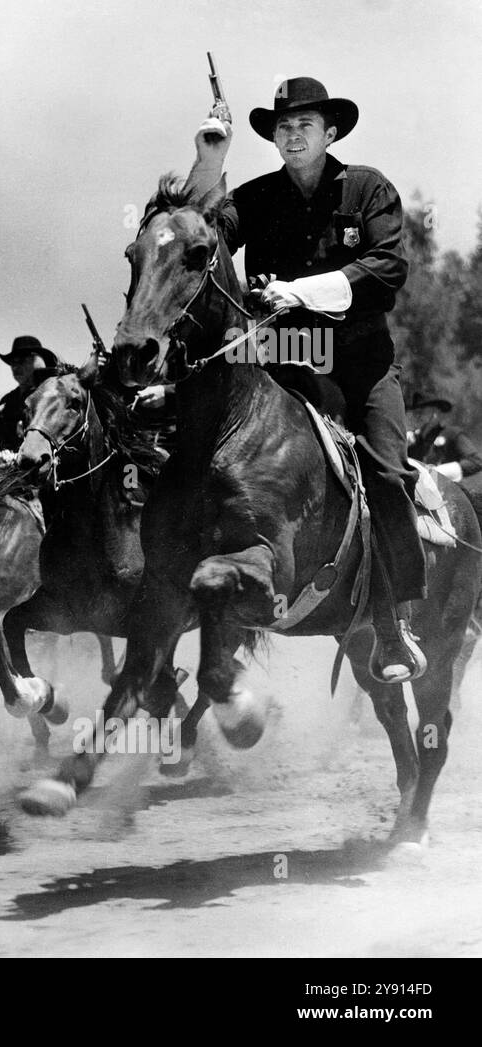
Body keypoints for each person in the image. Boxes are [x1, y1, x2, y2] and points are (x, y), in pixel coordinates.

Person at [184, 76, 425, 683]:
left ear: (331, 132)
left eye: (306, 125)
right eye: (284, 127)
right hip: (280, 366)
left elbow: (389, 266)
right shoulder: (257, 196)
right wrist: (210, 157)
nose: (293, 134)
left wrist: (300, 290)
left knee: (390, 473)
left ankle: (392, 624)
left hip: (360, 366)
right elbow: (198, 238)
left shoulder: (369, 188)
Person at [0, 336, 60, 452]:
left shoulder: (50, 397)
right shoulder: (7, 400)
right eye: (12, 363)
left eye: (22, 361)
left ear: (37, 361)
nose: (16, 367)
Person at [406, 391, 482, 481]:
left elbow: (476, 461)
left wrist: (438, 473)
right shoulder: (413, 440)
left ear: (435, 412)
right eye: (414, 412)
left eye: (421, 412)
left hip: (444, 492)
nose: (416, 416)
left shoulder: (451, 434)